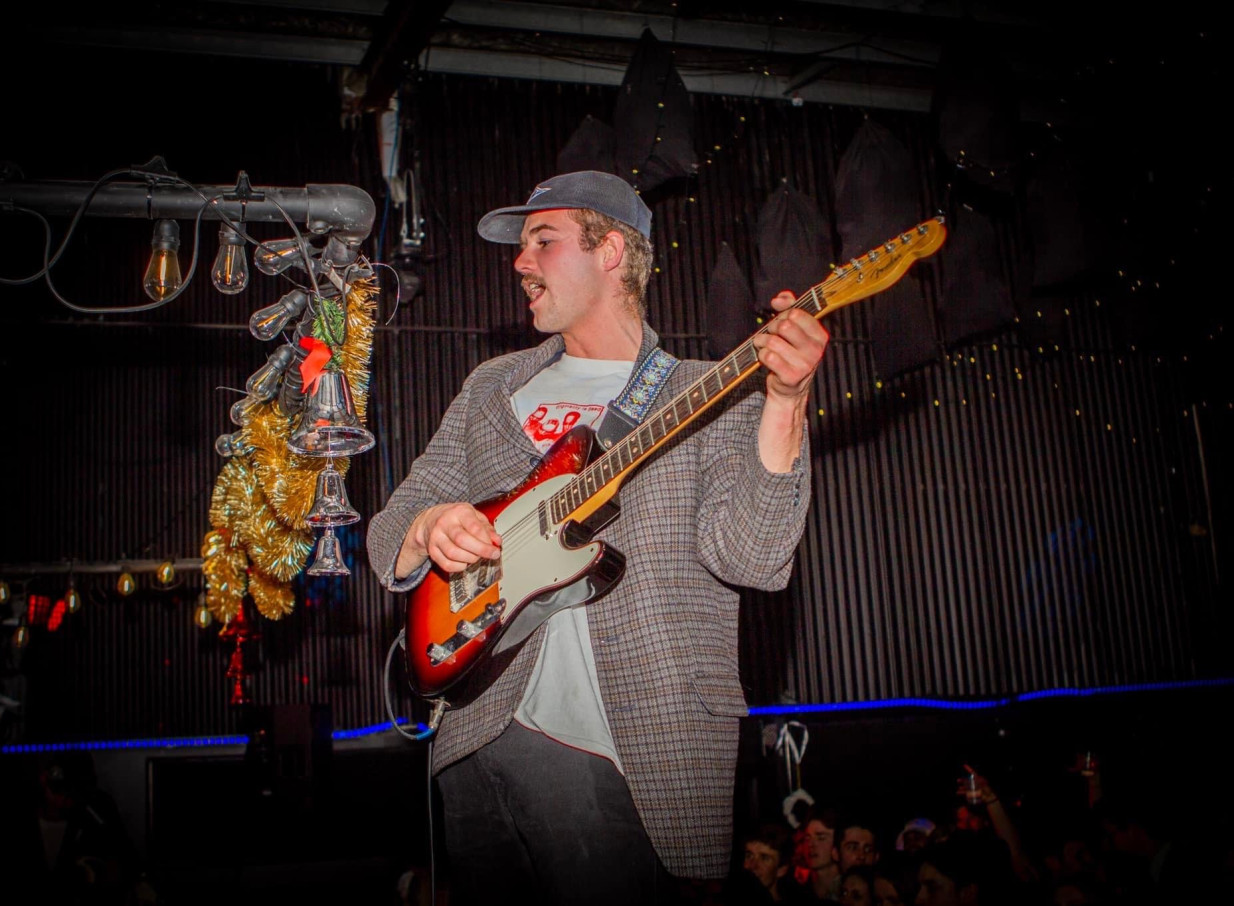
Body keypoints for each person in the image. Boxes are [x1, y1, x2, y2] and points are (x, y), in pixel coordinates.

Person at [367, 170, 829, 903]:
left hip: (636, 745)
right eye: (521, 248)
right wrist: (430, 526)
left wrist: (786, 401)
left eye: (541, 242)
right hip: (475, 732)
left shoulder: (703, 389)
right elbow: (392, 525)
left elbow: (751, 554)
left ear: (611, 251)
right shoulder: (492, 387)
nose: (520, 264)